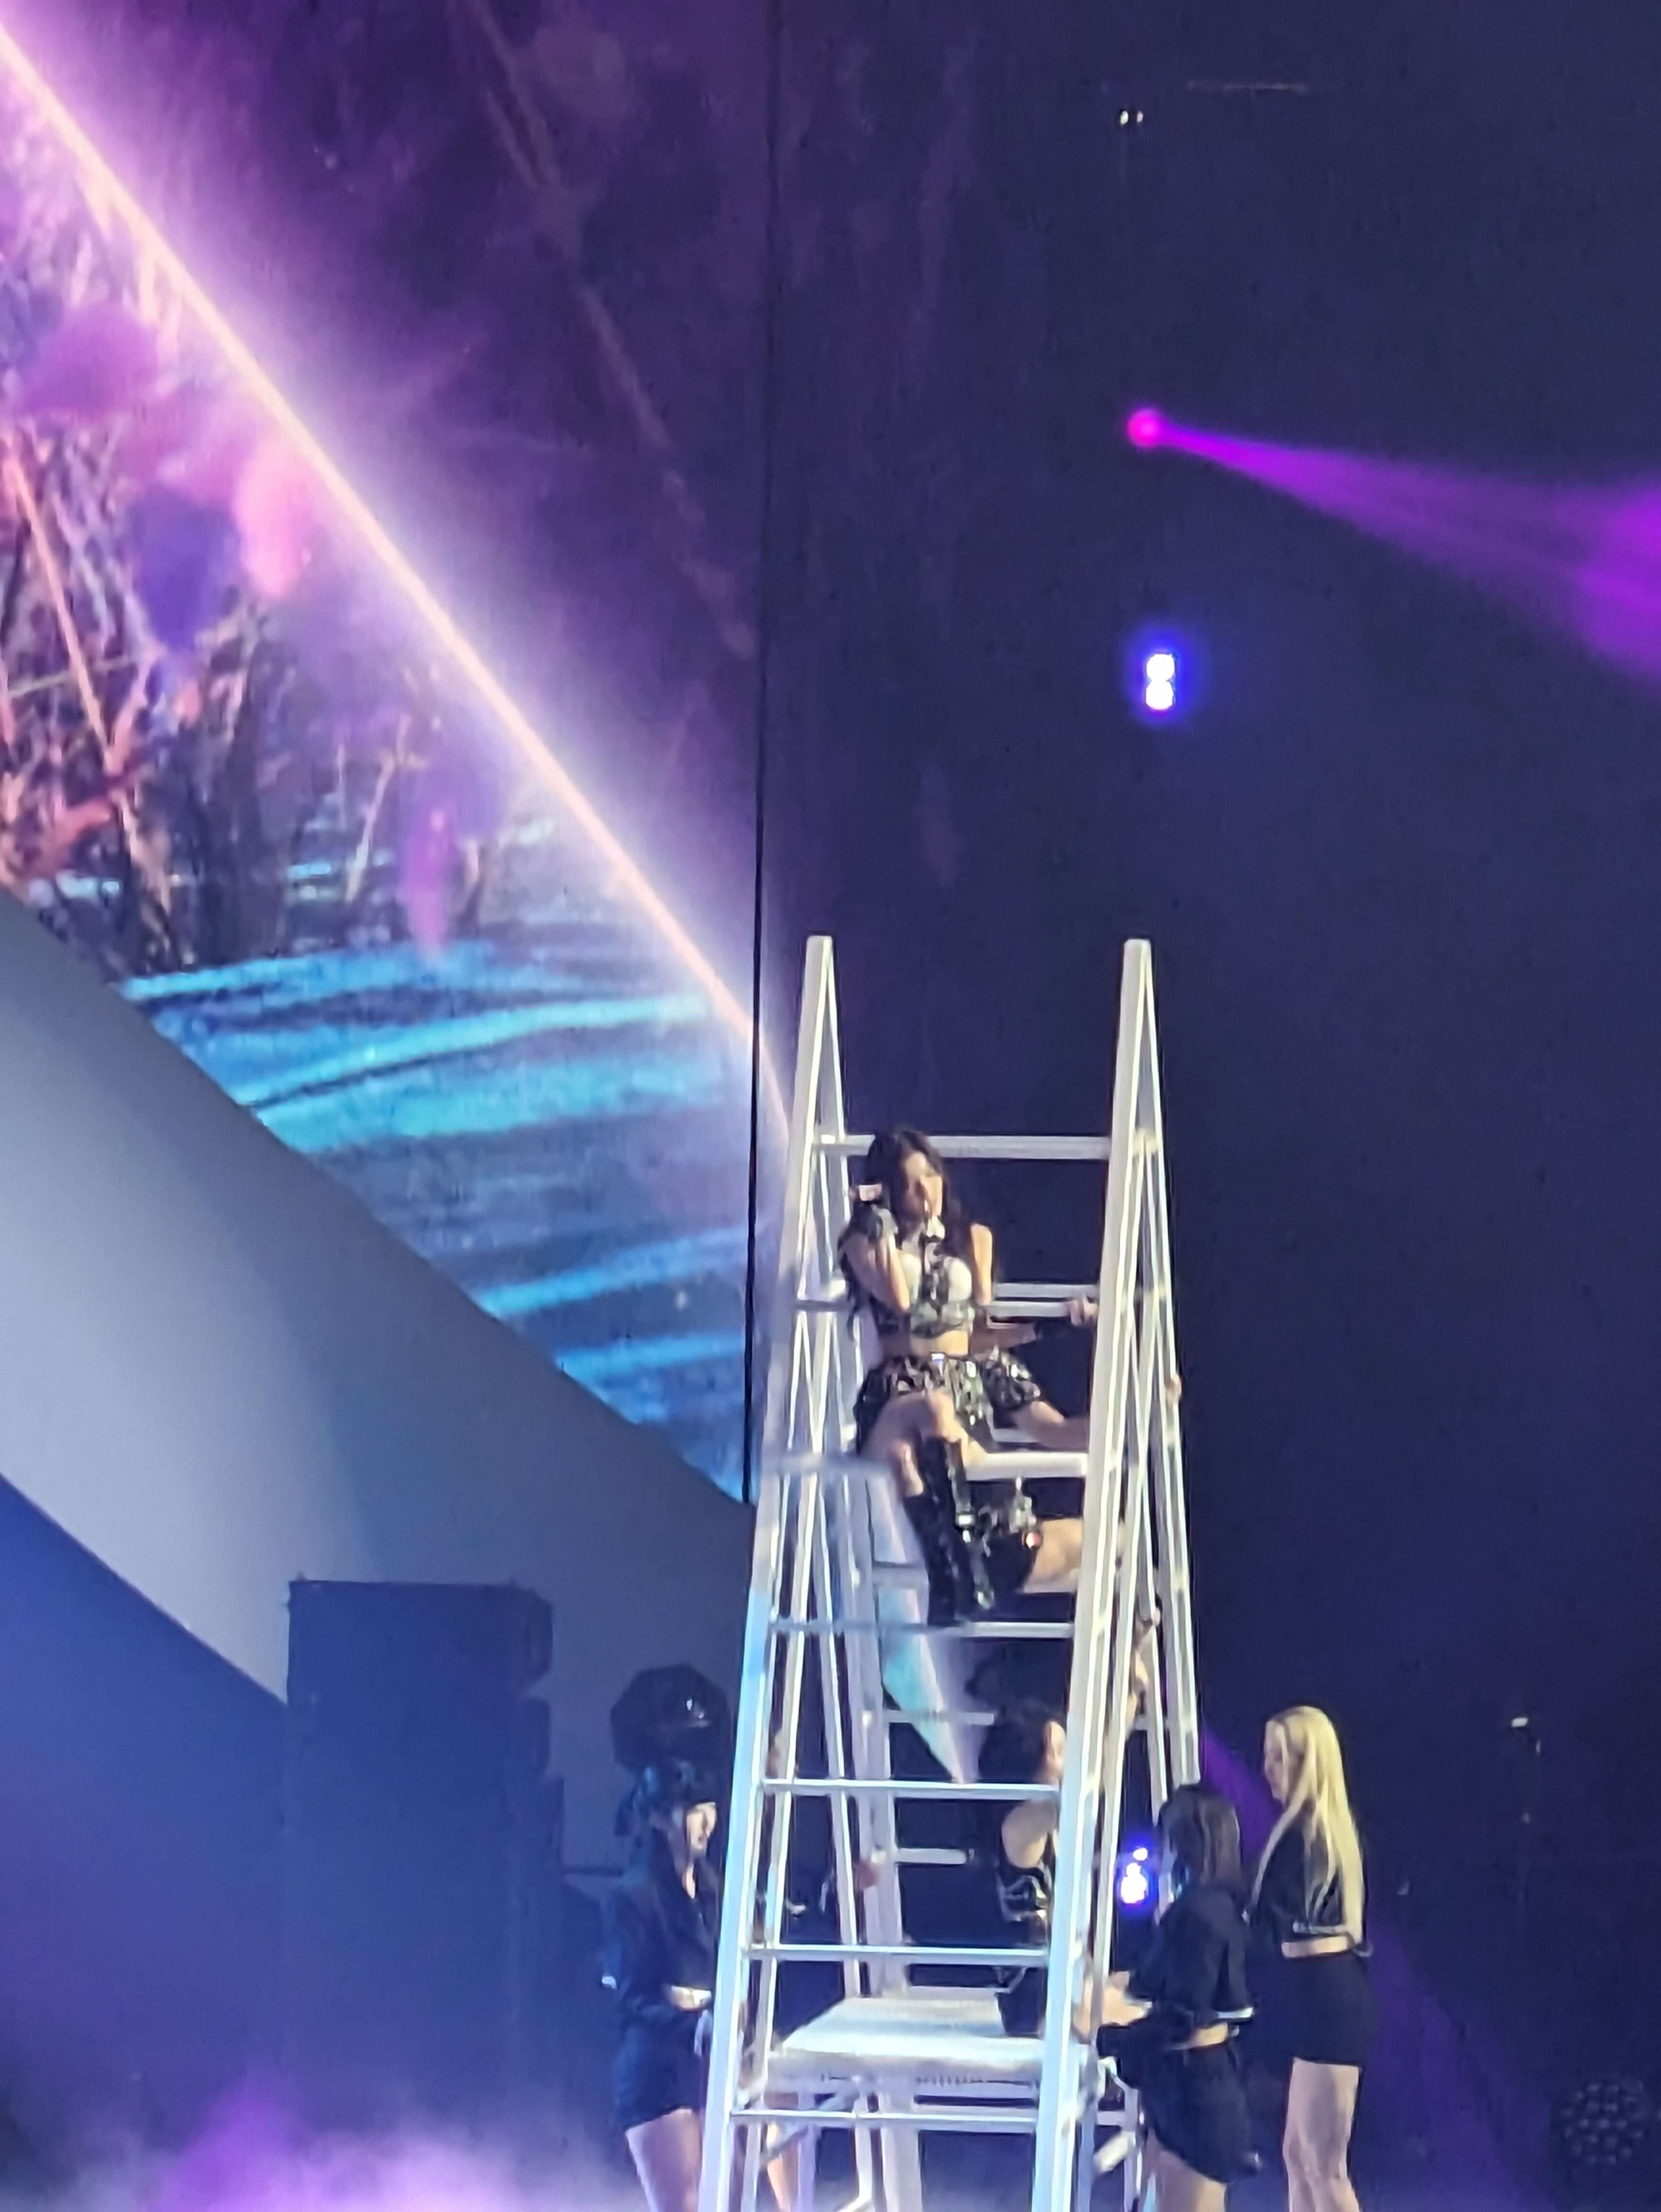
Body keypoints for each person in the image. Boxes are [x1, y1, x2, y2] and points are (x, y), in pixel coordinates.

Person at [838, 1127, 1089, 1622]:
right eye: (908, 1184)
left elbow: (978, 1328)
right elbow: (900, 1300)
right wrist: (879, 1223)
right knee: (924, 1420)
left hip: (962, 1372)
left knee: (1047, 1430)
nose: (924, 1192)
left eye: (930, 1176)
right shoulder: (864, 1242)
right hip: (903, 1383)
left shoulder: (969, 1238)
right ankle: (960, 1570)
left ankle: (1133, 1419)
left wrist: (1051, 1326)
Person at [1096, 1783, 1253, 2211]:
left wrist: (1108, 2038)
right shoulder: (1216, 1909)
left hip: (1197, 2095)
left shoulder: (1199, 1914)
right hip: (1192, 2088)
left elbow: (1183, 2017)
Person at [1249, 1707, 1373, 2212]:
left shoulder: (1307, 1834)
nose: (1268, 1769)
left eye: (1279, 1757)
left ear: (1308, 1762)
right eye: (1267, 1756)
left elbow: (1265, 1925)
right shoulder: (1310, 1831)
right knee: (1300, 2156)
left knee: (1323, 2165)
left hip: (1329, 2000)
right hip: (1319, 1995)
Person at [602, 1759, 722, 2212]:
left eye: (709, 1807)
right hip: (656, 2067)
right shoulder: (631, 1895)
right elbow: (633, 1998)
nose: (706, 1821)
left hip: (710, 2063)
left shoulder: (712, 1887)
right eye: (691, 1810)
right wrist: (693, 2024)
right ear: (658, 1817)